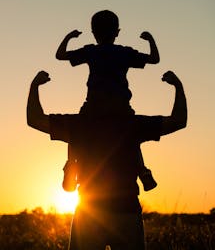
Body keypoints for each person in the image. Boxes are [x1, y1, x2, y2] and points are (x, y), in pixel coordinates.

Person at [27, 69, 187, 250]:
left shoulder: (78, 124)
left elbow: (34, 119)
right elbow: (178, 120)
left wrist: (35, 86)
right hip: (126, 210)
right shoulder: (132, 124)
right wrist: (178, 86)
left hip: (89, 212)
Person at [56, 10, 160, 192]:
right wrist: (150, 39)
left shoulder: (91, 51)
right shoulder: (124, 52)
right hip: (120, 107)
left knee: (74, 132)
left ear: (93, 32)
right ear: (117, 32)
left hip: (94, 106)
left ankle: (71, 166)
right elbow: (154, 59)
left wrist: (69, 37)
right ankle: (142, 170)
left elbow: (60, 55)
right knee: (131, 138)